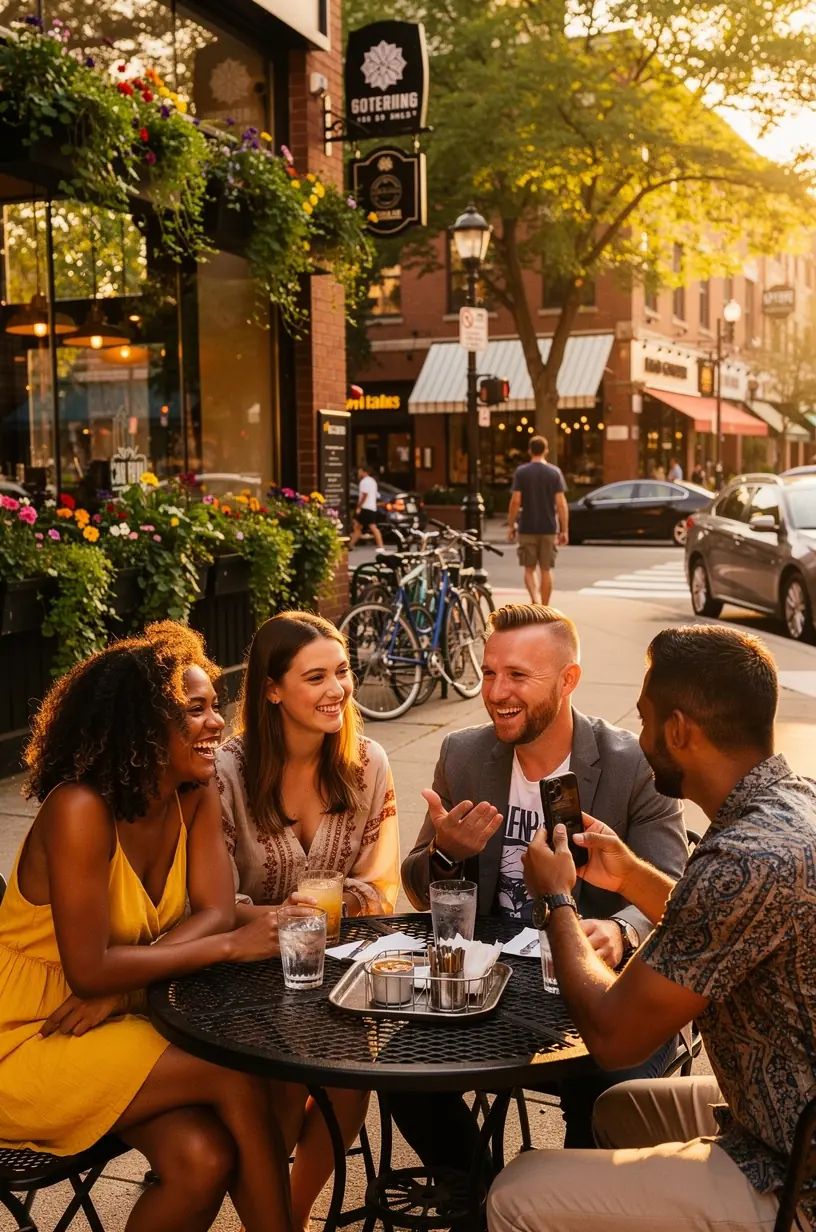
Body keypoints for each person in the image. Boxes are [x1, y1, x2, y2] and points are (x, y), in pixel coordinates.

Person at [488, 624, 816, 1232]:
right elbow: (726, 921)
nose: (639, 739)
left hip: (793, 1171)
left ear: (679, 730)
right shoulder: (791, 803)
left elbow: (613, 1037)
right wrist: (632, 876)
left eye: (644, 720)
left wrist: (556, 899)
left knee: (514, 1192)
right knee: (618, 1110)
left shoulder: (742, 856)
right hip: (778, 1109)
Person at [0, 623, 296, 1232]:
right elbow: (90, 970)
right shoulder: (79, 810)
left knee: (201, 1158)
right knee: (234, 1064)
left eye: (215, 705)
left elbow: (215, 909)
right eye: (195, 710)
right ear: (142, 725)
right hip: (26, 1039)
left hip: (109, 1023)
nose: (217, 722)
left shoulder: (194, 793)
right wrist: (228, 947)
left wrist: (124, 987)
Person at [392, 604, 688, 1166]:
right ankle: (485, 1198)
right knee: (401, 1071)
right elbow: (416, 883)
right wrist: (445, 855)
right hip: (487, 991)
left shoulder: (633, 763)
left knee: (607, 1098)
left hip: (603, 996)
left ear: (568, 679)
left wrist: (620, 931)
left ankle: (565, 1205)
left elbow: (673, 889)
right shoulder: (463, 754)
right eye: (489, 673)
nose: (496, 692)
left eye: (518, 675)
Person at [215, 611, 400, 1231]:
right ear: (272, 689)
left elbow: (381, 886)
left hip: (337, 970)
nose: (337, 690)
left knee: (351, 1078)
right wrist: (290, 916)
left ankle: (291, 1215)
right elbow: (212, 903)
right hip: (241, 973)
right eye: (315, 677)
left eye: (341, 672)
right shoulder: (226, 771)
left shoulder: (367, 763)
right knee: (278, 1088)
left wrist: (326, 910)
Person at [507, 436, 568, 605]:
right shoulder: (554, 473)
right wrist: (564, 529)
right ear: (546, 451)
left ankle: (535, 600)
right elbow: (561, 503)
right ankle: (545, 607)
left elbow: (516, 501)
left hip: (527, 526)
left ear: (529, 451)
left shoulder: (521, 472)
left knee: (529, 569)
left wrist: (511, 524)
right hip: (548, 527)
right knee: (546, 569)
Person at [349, 462, 383, 549]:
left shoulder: (364, 482)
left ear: (364, 472)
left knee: (371, 526)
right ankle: (351, 545)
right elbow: (377, 495)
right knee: (358, 526)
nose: (359, 473)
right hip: (371, 507)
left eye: (360, 471)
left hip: (366, 508)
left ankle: (380, 545)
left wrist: (359, 506)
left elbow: (364, 494)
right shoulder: (372, 481)